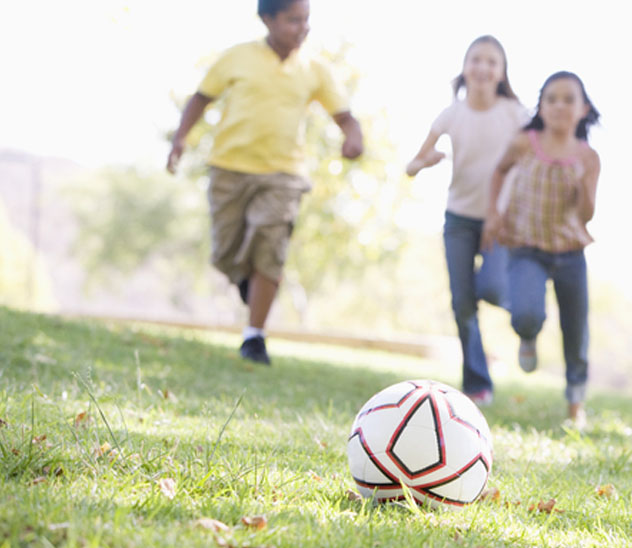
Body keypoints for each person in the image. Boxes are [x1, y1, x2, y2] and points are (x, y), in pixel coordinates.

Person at [166, 0, 363, 365]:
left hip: (284, 174)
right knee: (224, 254)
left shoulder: (315, 69)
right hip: (229, 167)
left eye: (306, 20)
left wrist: (353, 136)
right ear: (267, 19)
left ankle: (254, 336)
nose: (302, 28)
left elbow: (346, 116)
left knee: (269, 246)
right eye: (293, 20)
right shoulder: (237, 57)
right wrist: (180, 138)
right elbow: (201, 98)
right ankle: (247, 280)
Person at [406, 35, 529, 406]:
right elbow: (411, 165)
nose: (482, 67)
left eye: (492, 61)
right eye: (476, 59)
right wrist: (425, 161)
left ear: (502, 72)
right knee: (462, 303)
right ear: (465, 67)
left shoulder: (515, 113)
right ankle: (477, 384)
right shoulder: (451, 114)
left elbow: (533, 157)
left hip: (501, 219)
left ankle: (526, 315)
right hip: (459, 217)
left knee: (491, 288)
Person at [482, 71, 601, 427]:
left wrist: (582, 186)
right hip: (525, 245)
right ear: (541, 106)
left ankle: (575, 406)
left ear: (583, 109)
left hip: (569, 251)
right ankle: (528, 335)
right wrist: (493, 212)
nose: (559, 106)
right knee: (526, 313)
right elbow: (500, 171)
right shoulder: (525, 142)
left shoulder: (588, 157)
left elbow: (586, 214)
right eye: (551, 99)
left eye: (568, 99)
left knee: (576, 328)